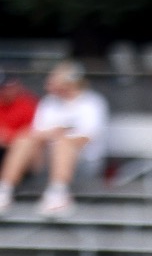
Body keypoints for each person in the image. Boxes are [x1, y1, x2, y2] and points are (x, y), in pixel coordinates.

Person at [0, 61, 110, 216]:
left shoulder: (92, 103)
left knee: (63, 142)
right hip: (46, 160)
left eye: (54, 79)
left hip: (84, 162)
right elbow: (36, 134)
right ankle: (4, 190)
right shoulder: (49, 103)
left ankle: (58, 193)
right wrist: (54, 133)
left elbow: (86, 138)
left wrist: (57, 135)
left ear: (68, 82)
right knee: (25, 138)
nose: (48, 84)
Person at [0, 73, 40, 152]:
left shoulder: (28, 103)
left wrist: (9, 136)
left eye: (10, 87)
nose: (6, 91)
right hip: (3, 146)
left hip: (20, 147)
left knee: (25, 143)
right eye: (3, 88)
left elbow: (32, 130)